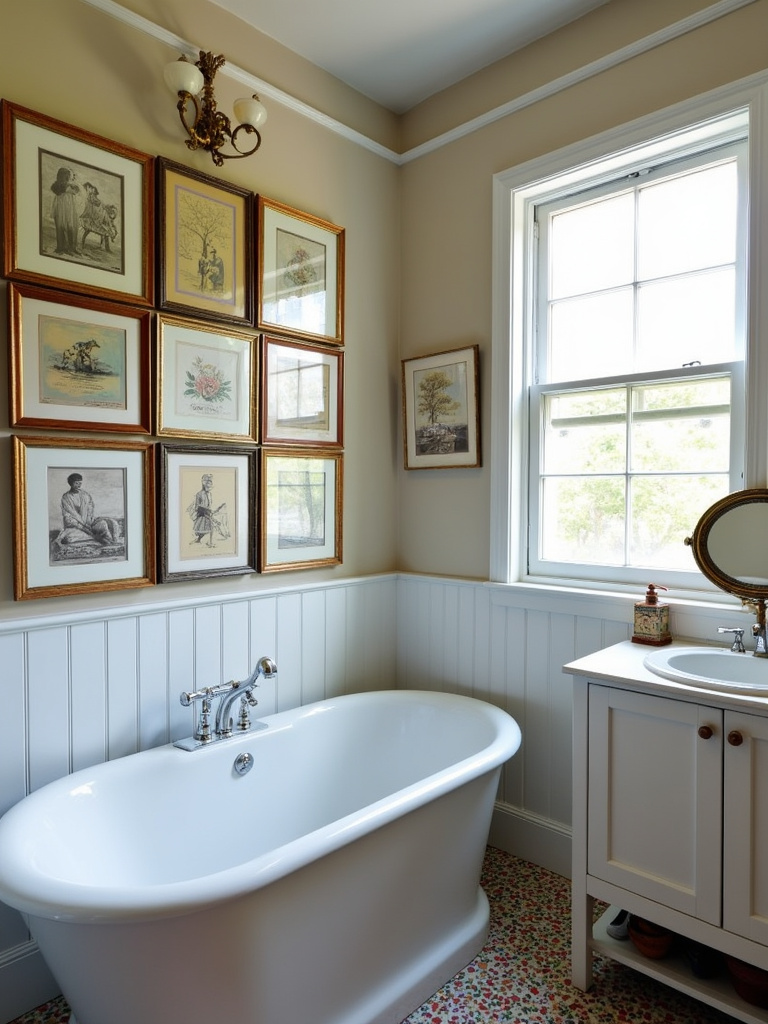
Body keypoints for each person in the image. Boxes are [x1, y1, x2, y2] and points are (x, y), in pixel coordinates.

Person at [54, 473, 121, 549]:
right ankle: (96, 539)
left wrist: (89, 522)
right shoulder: (66, 497)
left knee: (103, 524)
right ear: (71, 483)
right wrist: (85, 529)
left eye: (80, 483)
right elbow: (68, 517)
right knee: (69, 538)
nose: (79, 485)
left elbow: (90, 510)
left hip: (89, 524)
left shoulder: (85, 495)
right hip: (75, 527)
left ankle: (108, 541)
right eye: (76, 483)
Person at [189, 473, 229, 547]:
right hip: (202, 514)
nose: (209, 485)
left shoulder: (210, 494)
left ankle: (209, 542)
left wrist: (212, 510)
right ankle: (200, 540)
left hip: (208, 513)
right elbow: (197, 506)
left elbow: (210, 504)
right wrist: (206, 509)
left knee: (211, 528)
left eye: (210, 483)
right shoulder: (199, 494)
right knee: (205, 529)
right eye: (208, 483)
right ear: (204, 483)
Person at [50, 167, 81, 256]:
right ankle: (68, 248)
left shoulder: (58, 185)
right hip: (65, 209)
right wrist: (73, 183)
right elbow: (75, 191)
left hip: (64, 209)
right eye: (70, 175)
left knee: (63, 227)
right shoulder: (65, 186)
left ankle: (64, 248)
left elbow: (75, 190)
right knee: (67, 227)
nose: (71, 177)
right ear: (66, 176)